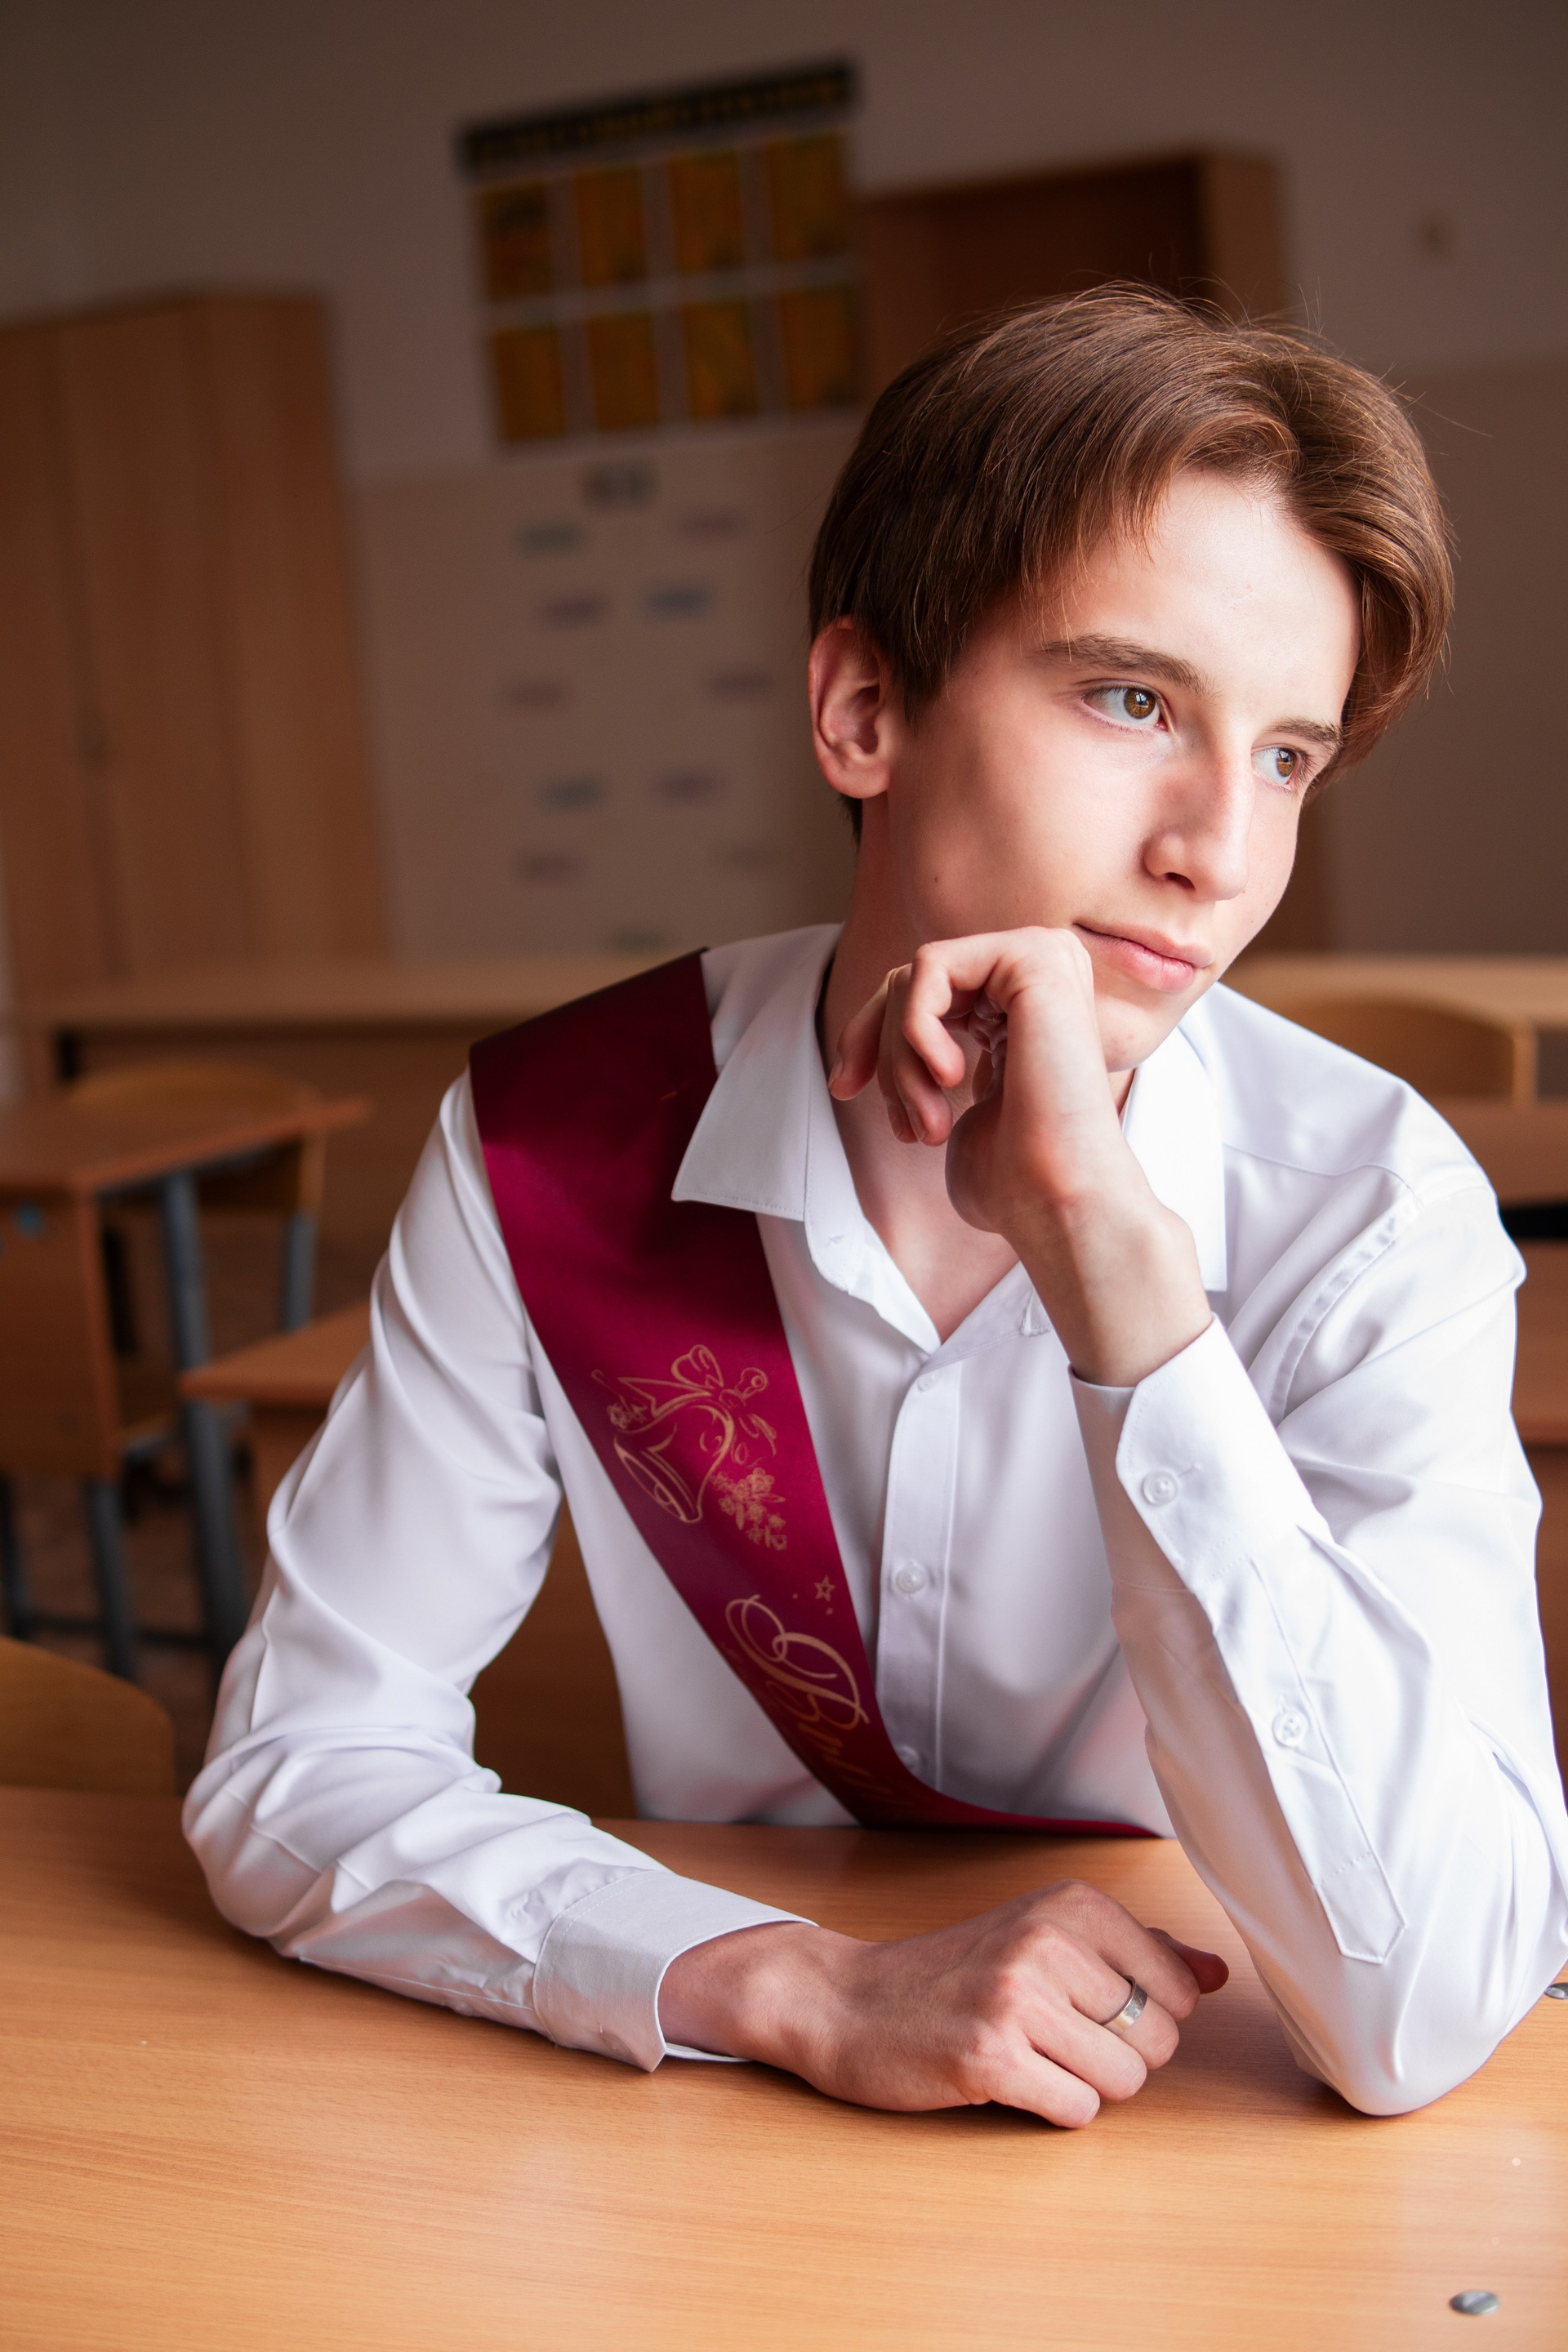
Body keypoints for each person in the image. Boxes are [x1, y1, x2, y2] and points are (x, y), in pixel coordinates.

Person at [186, 287, 1568, 2127]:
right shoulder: (550, 1140)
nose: (1221, 853)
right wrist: (791, 1983)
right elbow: (296, 1768)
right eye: (1132, 699)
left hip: (1199, 2096)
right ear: (863, 710)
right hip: (717, 2118)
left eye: (1286, 757)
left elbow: (1431, 2003)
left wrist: (1119, 1277)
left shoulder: (1374, 1209)